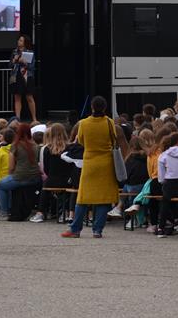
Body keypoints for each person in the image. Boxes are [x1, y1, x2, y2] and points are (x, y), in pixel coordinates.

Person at [61, 96, 118, 238]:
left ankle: (75, 229)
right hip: (106, 162)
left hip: (90, 162)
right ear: (104, 108)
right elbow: (114, 139)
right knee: (104, 198)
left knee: (83, 197)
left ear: (92, 107)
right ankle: (97, 230)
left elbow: (80, 140)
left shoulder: (84, 123)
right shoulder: (109, 122)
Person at [0, 123, 42, 220]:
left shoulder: (15, 145)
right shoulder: (36, 146)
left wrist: (10, 175)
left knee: (1, 185)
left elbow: (11, 166)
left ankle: (4, 212)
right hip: (35, 177)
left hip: (20, 176)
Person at [31, 124, 72, 222]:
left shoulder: (46, 148)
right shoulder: (70, 147)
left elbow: (45, 168)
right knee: (70, 190)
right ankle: (65, 212)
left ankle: (40, 212)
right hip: (67, 180)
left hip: (52, 178)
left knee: (45, 187)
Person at [11, 34, 37, 122]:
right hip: (16, 76)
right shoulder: (15, 52)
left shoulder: (30, 52)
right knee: (17, 97)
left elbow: (32, 67)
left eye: (21, 40)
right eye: (19, 40)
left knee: (29, 97)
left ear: (25, 42)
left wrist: (25, 62)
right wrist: (14, 61)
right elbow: (10, 64)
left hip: (27, 76)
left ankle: (34, 118)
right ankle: (17, 119)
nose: (19, 42)